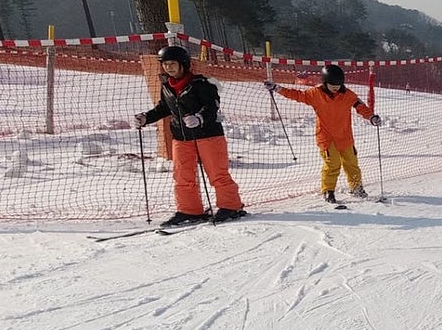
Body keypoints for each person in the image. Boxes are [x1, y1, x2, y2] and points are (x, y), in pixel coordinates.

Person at [133, 45, 247, 225]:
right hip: (181, 137)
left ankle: (231, 206)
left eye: (172, 64)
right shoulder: (167, 86)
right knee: (182, 175)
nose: (168, 68)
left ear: (183, 64)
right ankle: (189, 210)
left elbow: (212, 107)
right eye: (165, 64)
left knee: (217, 173)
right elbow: (164, 108)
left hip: (208, 135)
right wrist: (146, 117)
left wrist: (199, 118)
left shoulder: (201, 84)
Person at [265, 64, 380, 203]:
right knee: (333, 164)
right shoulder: (316, 94)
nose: (336, 88)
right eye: (333, 85)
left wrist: (372, 117)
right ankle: (328, 191)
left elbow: (361, 107)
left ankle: (356, 188)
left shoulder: (348, 95)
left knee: (352, 163)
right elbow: (296, 95)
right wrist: (277, 88)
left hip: (345, 136)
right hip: (327, 137)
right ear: (325, 83)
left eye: (338, 85)